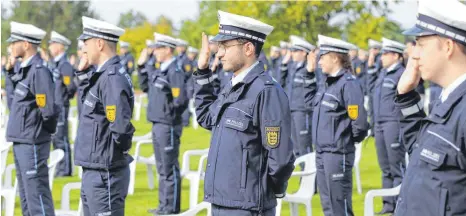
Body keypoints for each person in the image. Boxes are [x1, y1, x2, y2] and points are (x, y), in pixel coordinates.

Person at [192, 10, 295, 215]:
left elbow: (281, 158)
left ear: (248, 48)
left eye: (225, 46)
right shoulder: (233, 86)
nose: (219, 53)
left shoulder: (266, 91)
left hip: (248, 206)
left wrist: (262, 191)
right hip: (222, 201)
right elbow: (206, 117)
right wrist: (203, 72)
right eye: (219, 47)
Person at [394, 0, 466, 215]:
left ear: (447, 46)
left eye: (421, 44)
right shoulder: (449, 98)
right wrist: (406, 97)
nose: (414, 54)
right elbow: (421, 151)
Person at [75, 16, 135, 216]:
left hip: (105, 172)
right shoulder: (101, 75)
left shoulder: (112, 78)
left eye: (86, 43)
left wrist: (114, 155)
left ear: (99, 44)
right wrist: (83, 77)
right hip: (95, 168)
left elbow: (120, 128)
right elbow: (87, 111)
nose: (83, 49)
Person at [5, 21, 57, 216]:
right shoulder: (24, 70)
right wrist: (9, 73)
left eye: (14, 42)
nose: (10, 47)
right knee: (27, 197)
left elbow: (49, 111)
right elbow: (14, 104)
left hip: (32, 141)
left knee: (37, 197)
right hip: (21, 139)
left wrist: (40, 134)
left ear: (26, 44)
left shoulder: (38, 71)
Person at [313, 35, 368, 216]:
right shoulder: (327, 83)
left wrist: (342, 141)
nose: (319, 61)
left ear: (335, 57)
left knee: (340, 208)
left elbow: (359, 123)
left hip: (337, 154)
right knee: (328, 206)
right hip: (322, 153)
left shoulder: (348, 84)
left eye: (322, 56)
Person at [146, 33, 188, 215]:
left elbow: (180, 100)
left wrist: (170, 116)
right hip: (157, 123)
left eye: (158, 48)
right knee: (162, 168)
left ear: (168, 50)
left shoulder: (174, 71)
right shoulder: (161, 69)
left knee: (169, 168)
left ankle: (171, 208)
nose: (155, 52)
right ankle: (163, 206)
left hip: (167, 124)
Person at [372, 38, 407, 215]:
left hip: (394, 124)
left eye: (385, 54)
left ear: (396, 56)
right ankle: (388, 204)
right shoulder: (383, 74)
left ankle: (401, 204)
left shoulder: (402, 74)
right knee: (385, 167)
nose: (382, 57)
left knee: (397, 167)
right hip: (379, 124)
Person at [281, 35, 317, 157]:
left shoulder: (309, 69)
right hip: (292, 110)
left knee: (305, 148)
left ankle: (312, 176)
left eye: (295, 51)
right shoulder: (293, 67)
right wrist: (284, 65)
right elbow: (280, 83)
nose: (292, 53)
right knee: (296, 149)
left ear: (303, 52)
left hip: (303, 112)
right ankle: (304, 176)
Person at [48, 30, 77, 177]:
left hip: (61, 106)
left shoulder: (64, 65)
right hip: (54, 105)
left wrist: (64, 98)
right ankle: (60, 168)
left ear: (59, 46)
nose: (50, 47)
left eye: (52, 44)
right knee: (56, 138)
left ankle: (65, 170)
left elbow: (70, 86)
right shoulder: (56, 64)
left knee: (62, 138)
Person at [366, 39, 383, 137]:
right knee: (371, 112)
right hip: (370, 89)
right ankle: (372, 131)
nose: (371, 51)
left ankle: (375, 131)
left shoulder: (379, 60)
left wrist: (371, 59)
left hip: (376, 90)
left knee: (376, 112)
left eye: (373, 49)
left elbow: (373, 71)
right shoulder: (371, 59)